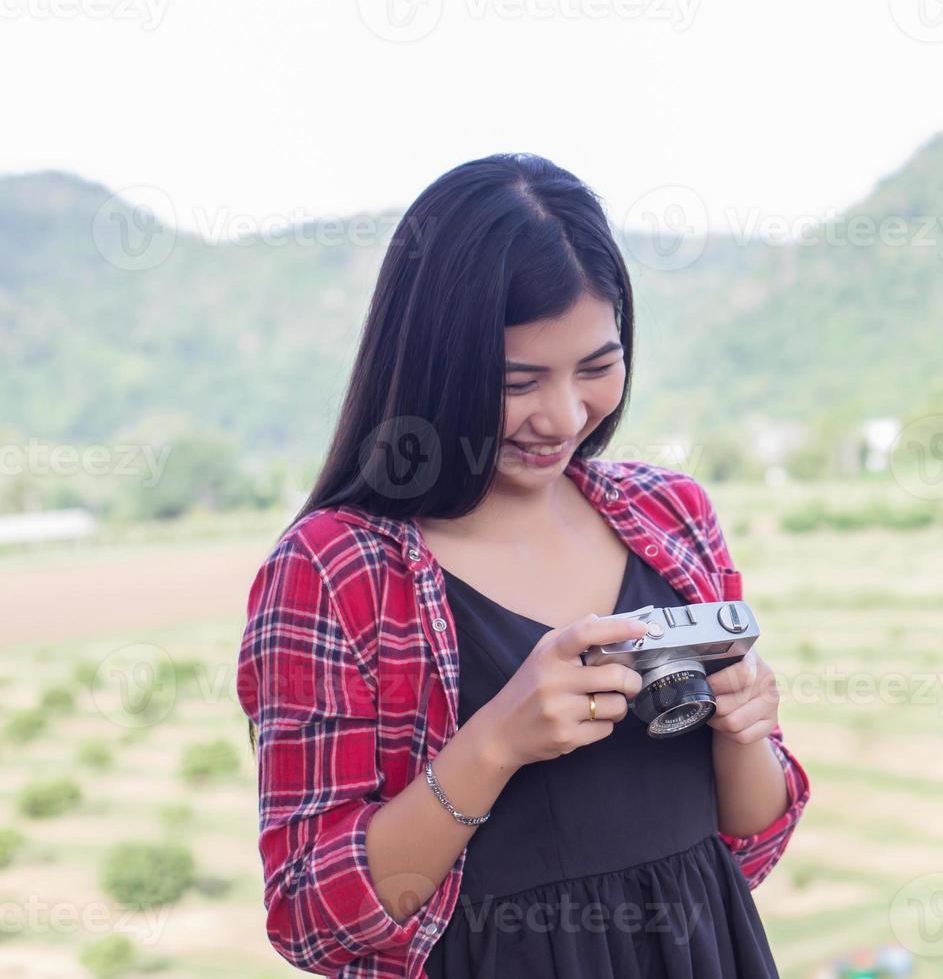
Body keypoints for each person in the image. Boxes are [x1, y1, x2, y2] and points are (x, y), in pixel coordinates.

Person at [236, 153, 810, 979]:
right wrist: (497, 741)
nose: (564, 414)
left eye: (597, 367)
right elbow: (311, 918)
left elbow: (744, 846)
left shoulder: (671, 514)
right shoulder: (335, 568)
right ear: (434, 366)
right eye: (517, 380)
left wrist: (745, 726)